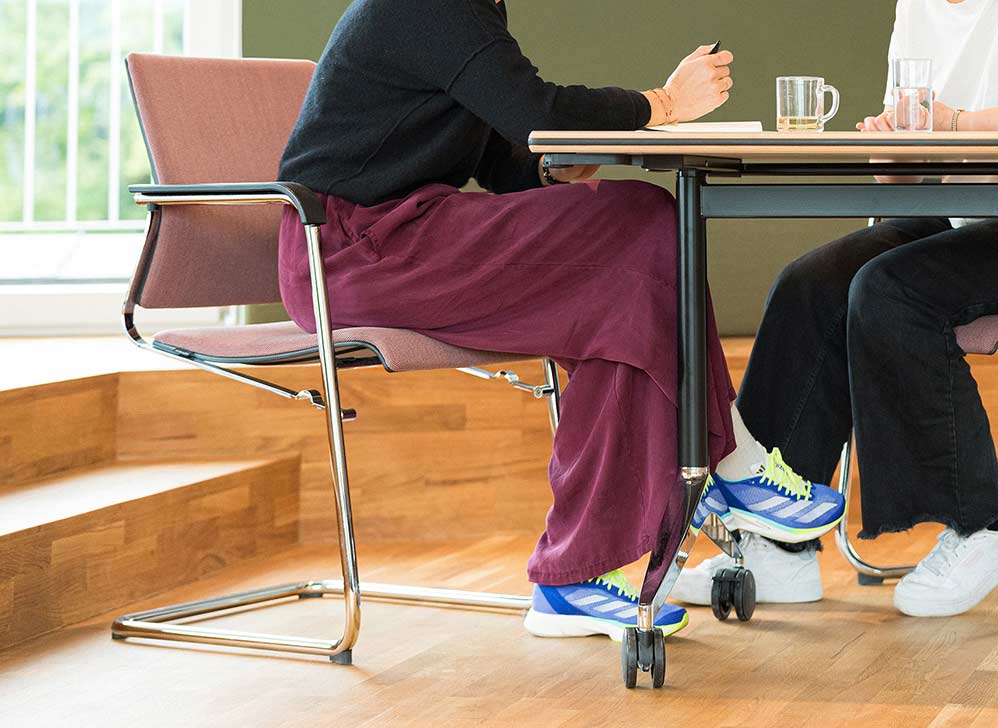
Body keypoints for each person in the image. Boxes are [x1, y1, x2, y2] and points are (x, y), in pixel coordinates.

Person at [276, 0, 845, 642]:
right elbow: (537, 112)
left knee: (628, 275)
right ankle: (727, 462)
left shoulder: (472, 10)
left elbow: (500, 158)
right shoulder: (430, 5)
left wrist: (550, 168)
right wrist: (663, 102)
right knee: (640, 225)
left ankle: (578, 576)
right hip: (348, 252)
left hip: (403, 235)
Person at [674, 0, 998, 617]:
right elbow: (911, 168)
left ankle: (983, 525)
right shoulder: (916, 7)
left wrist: (955, 124)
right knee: (811, 284)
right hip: (973, 221)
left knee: (889, 290)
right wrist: (892, 154)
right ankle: (776, 544)